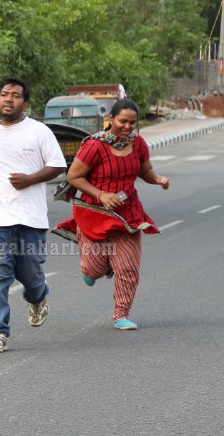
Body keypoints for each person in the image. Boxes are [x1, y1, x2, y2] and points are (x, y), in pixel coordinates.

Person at [52, 99, 170, 330]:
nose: (127, 126)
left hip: (128, 214)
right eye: (122, 121)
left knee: (128, 266)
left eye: (132, 123)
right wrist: (101, 195)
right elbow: (74, 177)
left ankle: (121, 314)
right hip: (94, 213)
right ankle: (92, 270)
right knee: (94, 268)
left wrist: (157, 179)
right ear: (111, 120)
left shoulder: (138, 144)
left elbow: (145, 170)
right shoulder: (95, 146)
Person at [0, 78, 67, 353]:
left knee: (29, 273)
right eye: (4, 94)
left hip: (30, 218)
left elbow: (58, 165)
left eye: (15, 96)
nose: (9, 99)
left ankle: (38, 296)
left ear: (25, 103)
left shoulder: (38, 131)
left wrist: (30, 179)